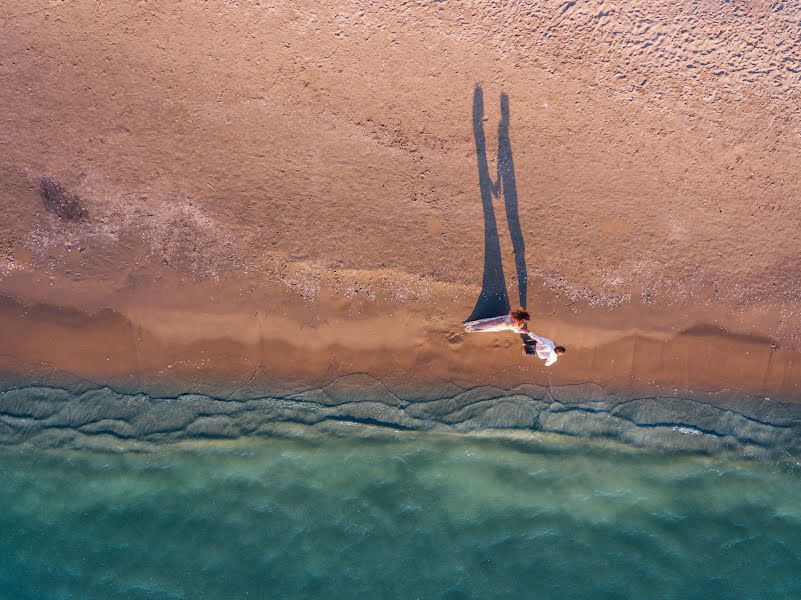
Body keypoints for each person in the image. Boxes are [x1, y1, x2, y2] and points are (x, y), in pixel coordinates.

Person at [463, 308, 530, 334]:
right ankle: (470, 328)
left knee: (485, 323)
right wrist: (524, 331)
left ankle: (469, 325)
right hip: (500, 326)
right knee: (486, 327)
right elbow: (516, 331)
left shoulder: (514, 315)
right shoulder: (519, 324)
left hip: (499, 320)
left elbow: (510, 312)